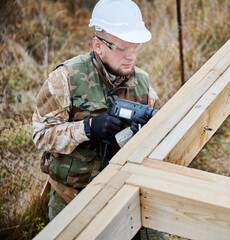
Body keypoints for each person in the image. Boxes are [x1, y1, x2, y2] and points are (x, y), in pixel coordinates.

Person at [33, 0, 165, 239]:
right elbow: (41, 136)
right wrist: (87, 128)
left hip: (125, 191)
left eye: (135, 47)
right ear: (99, 45)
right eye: (123, 48)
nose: (132, 56)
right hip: (73, 196)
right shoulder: (66, 79)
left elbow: (161, 127)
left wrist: (147, 132)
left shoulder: (142, 82)